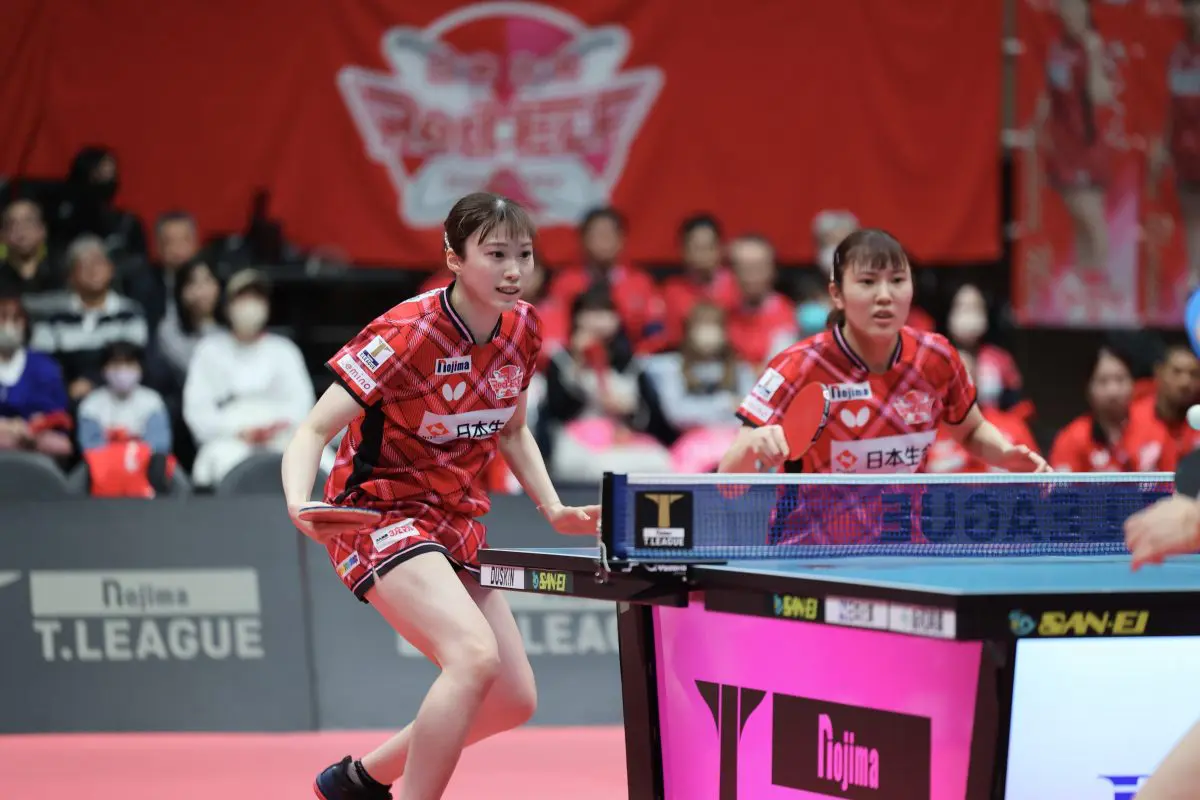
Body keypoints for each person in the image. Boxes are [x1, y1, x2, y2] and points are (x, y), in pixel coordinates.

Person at [282, 192, 599, 800]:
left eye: (524, 255)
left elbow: (512, 429)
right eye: (496, 254)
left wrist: (554, 508)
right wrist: (299, 502)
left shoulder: (524, 327)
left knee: (512, 699)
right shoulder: (405, 334)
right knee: (474, 657)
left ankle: (357, 782)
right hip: (376, 513)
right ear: (454, 258)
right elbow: (312, 431)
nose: (514, 270)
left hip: (454, 519)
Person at [719, 228, 1050, 479]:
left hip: (907, 543)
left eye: (897, 280)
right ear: (837, 294)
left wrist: (1004, 453)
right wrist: (752, 446)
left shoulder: (935, 357)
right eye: (867, 282)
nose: (885, 296)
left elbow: (971, 431)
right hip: (814, 547)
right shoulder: (797, 365)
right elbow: (727, 482)